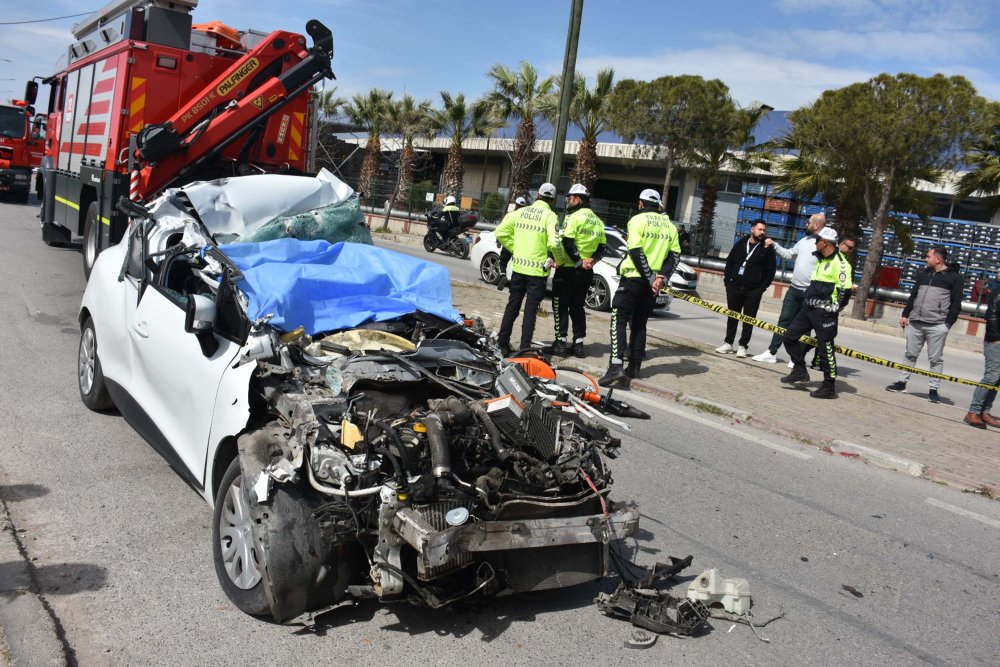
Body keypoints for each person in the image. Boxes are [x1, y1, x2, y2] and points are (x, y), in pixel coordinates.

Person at [599, 189, 680, 387]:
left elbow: (636, 251)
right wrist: (661, 277)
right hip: (652, 286)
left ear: (641, 204)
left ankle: (615, 366)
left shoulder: (637, 220)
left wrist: (651, 277)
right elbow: (675, 256)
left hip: (634, 279)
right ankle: (634, 366)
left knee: (619, 319)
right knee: (639, 323)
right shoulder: (670, 226)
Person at [780, 227, 853, 399]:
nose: (815, 242)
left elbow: (845, 291)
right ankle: (800, 370)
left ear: (826, 243)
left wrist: (835, 308)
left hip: (825, 313)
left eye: (818, 240)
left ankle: (829, 386)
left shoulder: (841, 264)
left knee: (825, 349)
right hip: (808, 309)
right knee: (789, 337)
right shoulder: (820, 258)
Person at [885, 247, 964, 403]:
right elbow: (914, 294)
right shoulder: (924, 274)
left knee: (935, 359)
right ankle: (901, 383)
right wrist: (906, 314)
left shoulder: (955, 278)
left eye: (928, 256)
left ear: (938, 259)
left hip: (937, 325)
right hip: (916, 322)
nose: (925, 259)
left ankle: (933, 390)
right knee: (910, 354)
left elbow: (956, 304)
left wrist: (947, 324)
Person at [752, 213, 828, 364]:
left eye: (808, 223)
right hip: (794, 289)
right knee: (784, 321)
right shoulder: (804, 240)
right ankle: (771, 352)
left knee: (805, 327)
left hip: (810, 292)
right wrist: (774, 245)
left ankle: (796, 359)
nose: (805, 225)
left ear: (816, 225)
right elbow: (788, 254)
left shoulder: (825, 244)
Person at [495, 183, 559, 355]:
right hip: (537, 273)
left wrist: (516, 248)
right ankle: (524, 349)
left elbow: (500, 232)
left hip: (519, 269)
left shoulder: (520, 212)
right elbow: (554, 242)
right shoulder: (550, 216)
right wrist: (557, 259)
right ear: (552, 199)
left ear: (537, 194)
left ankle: (502, 343)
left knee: (512, 306)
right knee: (530, 310)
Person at [548, 183, 607, 358]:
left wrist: (579, 262)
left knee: (560, 306)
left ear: (578, 199)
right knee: (578, 307)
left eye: (570, 198)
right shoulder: (597, 220)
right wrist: (591, 262)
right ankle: (579, 345)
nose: (568, 201)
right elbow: (603, 247)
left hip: (568, 269)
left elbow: (567, 242)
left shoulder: (573, 217)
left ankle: (560, 343)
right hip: (586, 273)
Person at [716, 220, 776, 358]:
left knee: (748, 319)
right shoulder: (741, 244)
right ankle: (728, 343)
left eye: (764, 230)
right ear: (752, 230)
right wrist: (728, 282)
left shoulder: (766, 247)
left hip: (753, 290)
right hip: (735, 287)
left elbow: (771, 269)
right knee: (732, 316)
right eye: (760, 229)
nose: (762, 233)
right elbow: (730, 262)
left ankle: (743, 346)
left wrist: (762, 287)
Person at [964, 283, 1000, 428]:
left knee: (997, 380)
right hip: (995, 341)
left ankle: (985, 412)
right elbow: (991, 316)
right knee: (991, 377)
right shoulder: (998, 293)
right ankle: (973, 412)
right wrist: (996, 338)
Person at [496, 196, 530, 290]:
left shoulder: (510, 215)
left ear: (516, 204)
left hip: (508, 243)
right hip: (519, 246)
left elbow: (502, 228)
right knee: (516, 266)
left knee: (502, 262)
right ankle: (513, 285)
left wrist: (498, 240)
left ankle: (503, 276)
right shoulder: (526, 218)